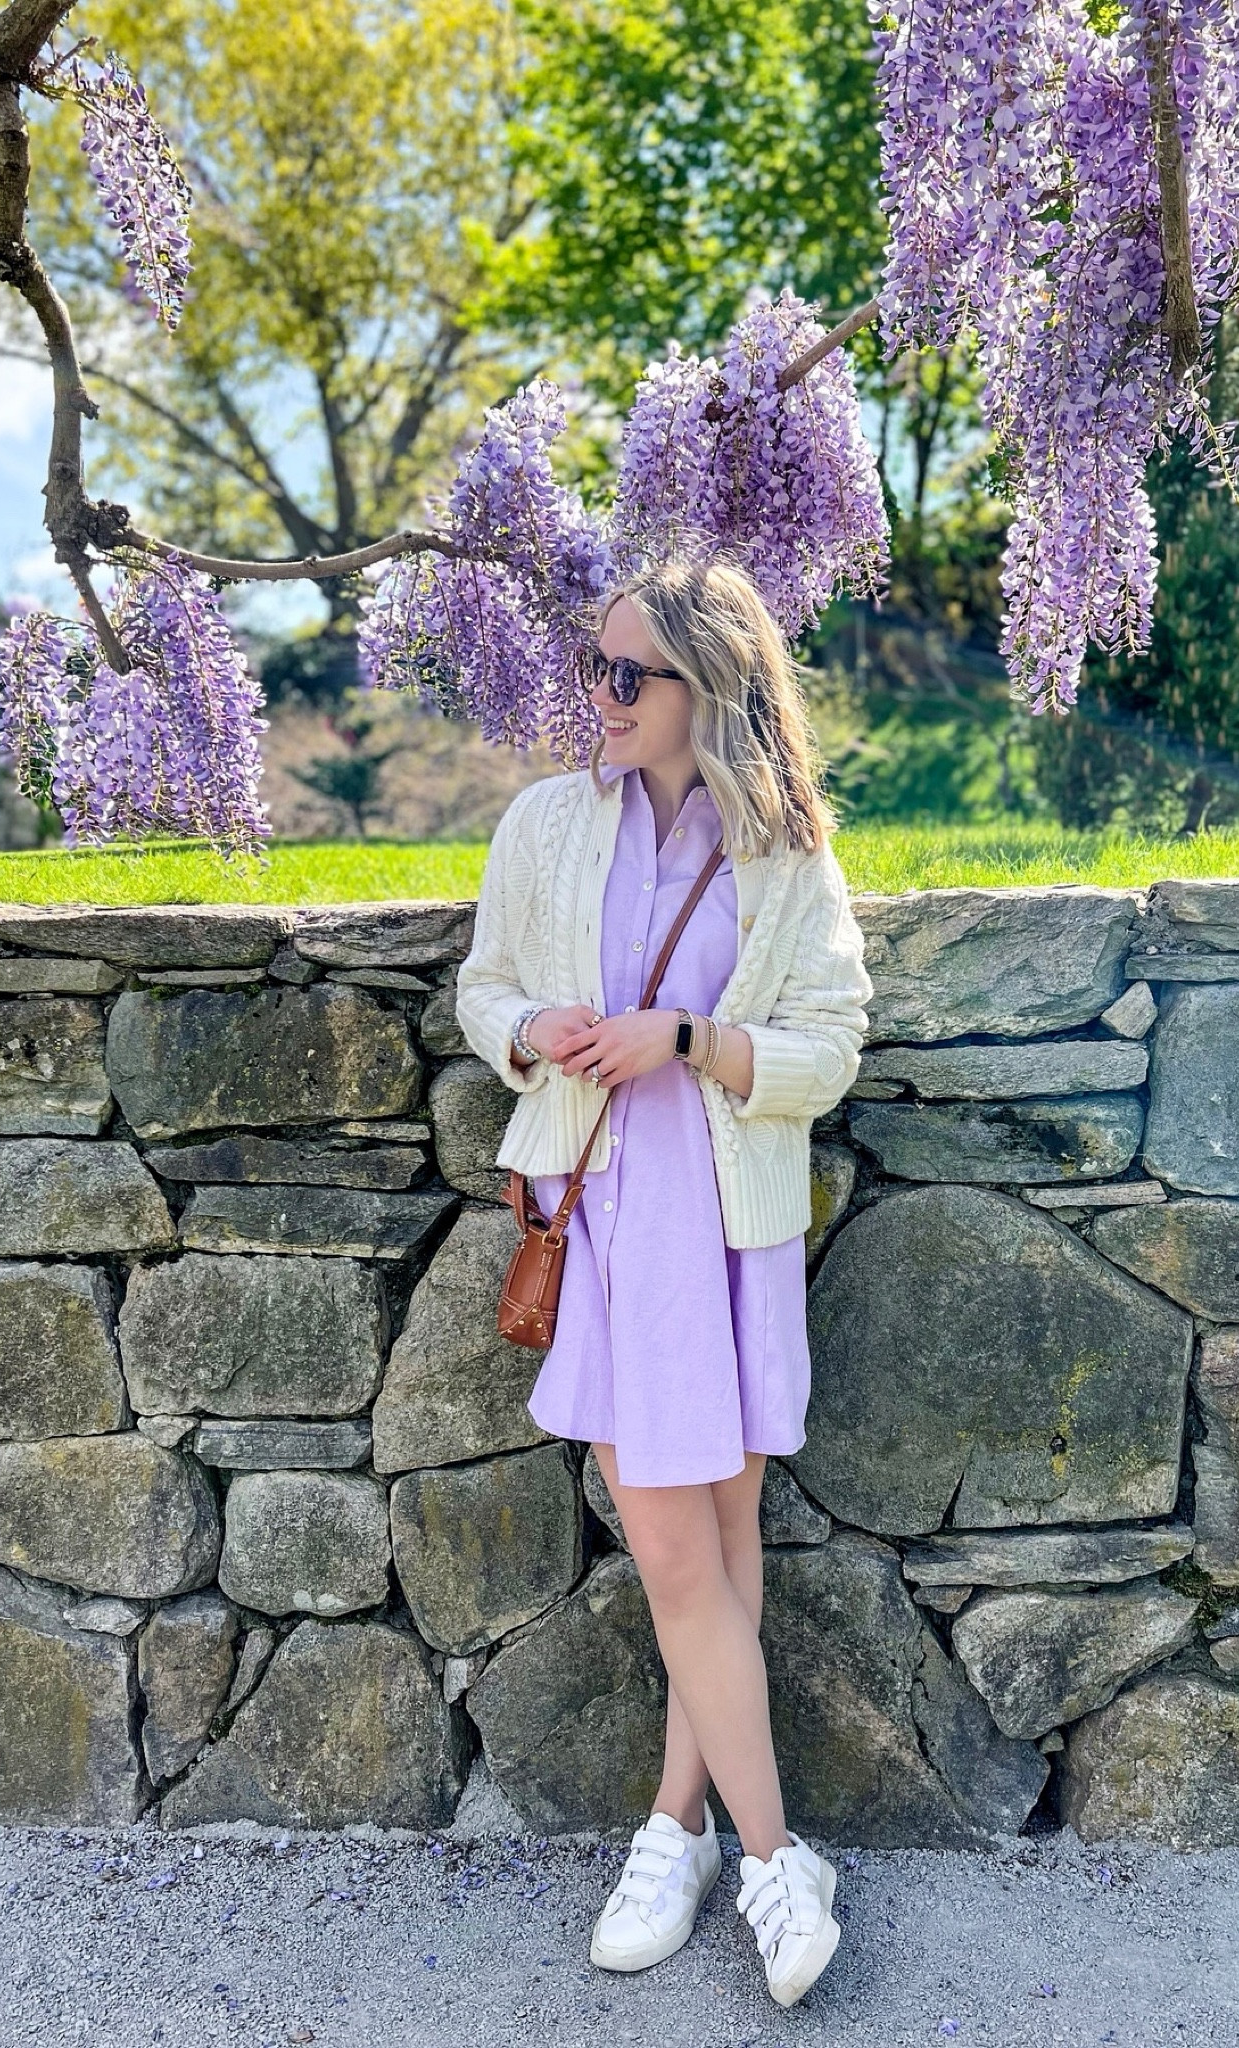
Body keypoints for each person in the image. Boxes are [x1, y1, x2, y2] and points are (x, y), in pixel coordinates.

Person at [454, 555, 872, 2008]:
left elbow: (829, 1049)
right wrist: (540, 1030)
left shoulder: (787, 854)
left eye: (633, 676)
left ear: (714, 690)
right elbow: (482, 986)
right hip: (615, 1224)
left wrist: (685, 1040)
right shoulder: (549, 826)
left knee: (721, 1542)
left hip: (730, 1228)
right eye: (598, 666)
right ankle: (771, 1860)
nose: (602, 696)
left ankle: (677, 1831)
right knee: (684, 1555)